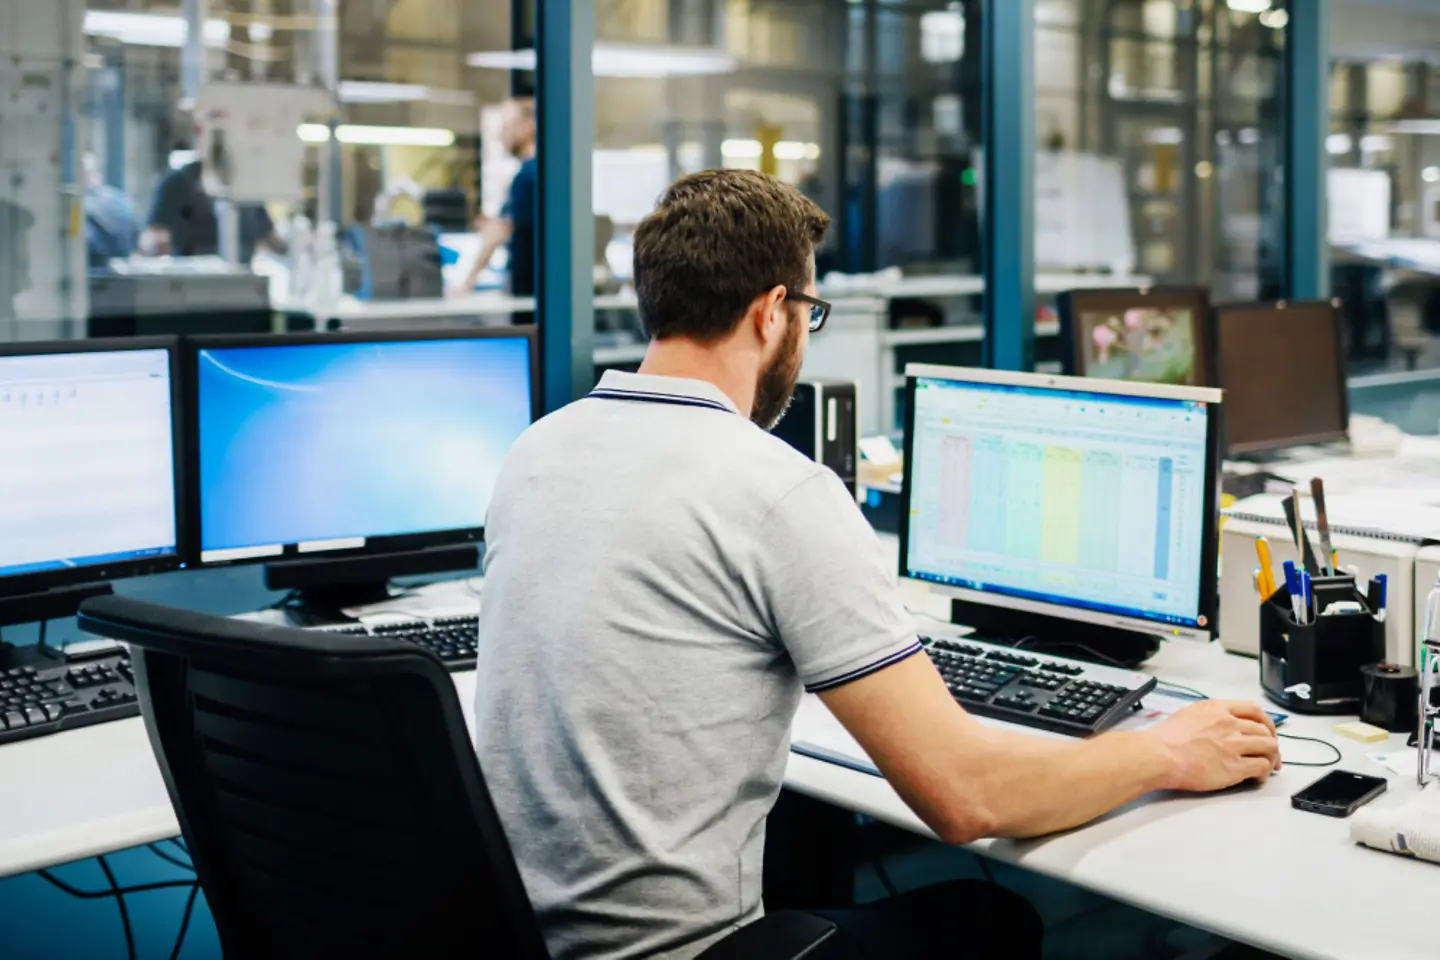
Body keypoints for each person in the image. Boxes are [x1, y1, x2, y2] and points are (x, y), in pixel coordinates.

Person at [472, 169, 1282, 960]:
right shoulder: (775, 489)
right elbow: (969, 800)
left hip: (524, 930)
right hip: (683, 948)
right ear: (770, 313)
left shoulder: (537, 450)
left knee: (811, 835)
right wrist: (1168, 750)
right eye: (810, 311)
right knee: (990, 917)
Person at [450, 97, 537, 297]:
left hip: (528, 291)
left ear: (528, 127)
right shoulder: (541, 174)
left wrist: (466, 283)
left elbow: (499, 232)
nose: (501, 134)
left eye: (507, 126)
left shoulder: (527, 176)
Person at [141, 159, 286, 263]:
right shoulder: (179, 182)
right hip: (192, 287)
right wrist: (154, 246)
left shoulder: (246, 187)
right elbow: (154, 235)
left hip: (243, 285)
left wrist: (298, 244)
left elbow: (272, 238)